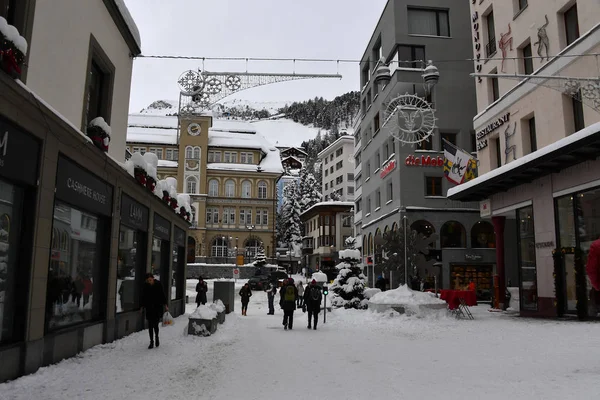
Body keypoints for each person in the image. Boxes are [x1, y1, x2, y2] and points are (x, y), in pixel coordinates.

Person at [141, 273, 167, 349]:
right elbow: (143, 296)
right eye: (148, 280)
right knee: (150, 326)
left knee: (155, 325)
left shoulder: (158, 284)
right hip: (149, 308)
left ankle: (157, 338)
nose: (149, 281)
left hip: (157, 308)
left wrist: (165, 305)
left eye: (150, 280)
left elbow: (162, 295)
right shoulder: (145, 286)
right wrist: (142, 306)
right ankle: (151, 342)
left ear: (153, 278)